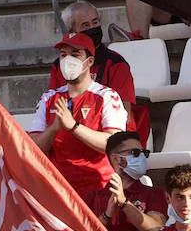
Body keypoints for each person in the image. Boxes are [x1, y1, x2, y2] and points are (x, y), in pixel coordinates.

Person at [29, 31, 128, 198]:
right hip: (59, 189)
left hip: (99, 188)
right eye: (63, 55)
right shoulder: (49, 98)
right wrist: (54, 129)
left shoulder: (107, 96)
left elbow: (115, 144)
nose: (68, 60)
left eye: (75, 54)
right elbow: (32, 149)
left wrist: (74, 127)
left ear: (89, 61)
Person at [48, 2, 147, 142]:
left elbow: (125, 114)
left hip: (110, 136)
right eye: (85, 25)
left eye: (95, 22)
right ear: (72, 31)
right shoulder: (58, 66)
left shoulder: (115, 63)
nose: (93, 28)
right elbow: (54, 108)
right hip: (68, 137)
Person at [88, 131, 167, 231]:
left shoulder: (153, 194)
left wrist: (124, 203)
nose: (142, 157)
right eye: (136, 153)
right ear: (116, 159)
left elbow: (156, 230)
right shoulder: (93, 198)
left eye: (144, 153)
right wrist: (107, 214)